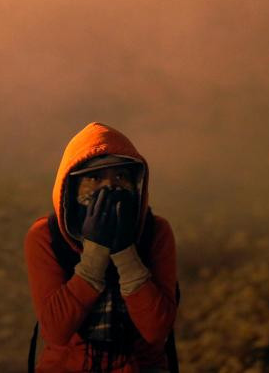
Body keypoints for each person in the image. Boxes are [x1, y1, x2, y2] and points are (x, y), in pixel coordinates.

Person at [25, 122, 178, 372]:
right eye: (94, 178)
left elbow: (156, 330)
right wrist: (95, 254)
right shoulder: (47, 236)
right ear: (71, 188)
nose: (109, 187)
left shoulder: (155, 232)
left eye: (121, 176)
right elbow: (55, 331)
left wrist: (124, 251)